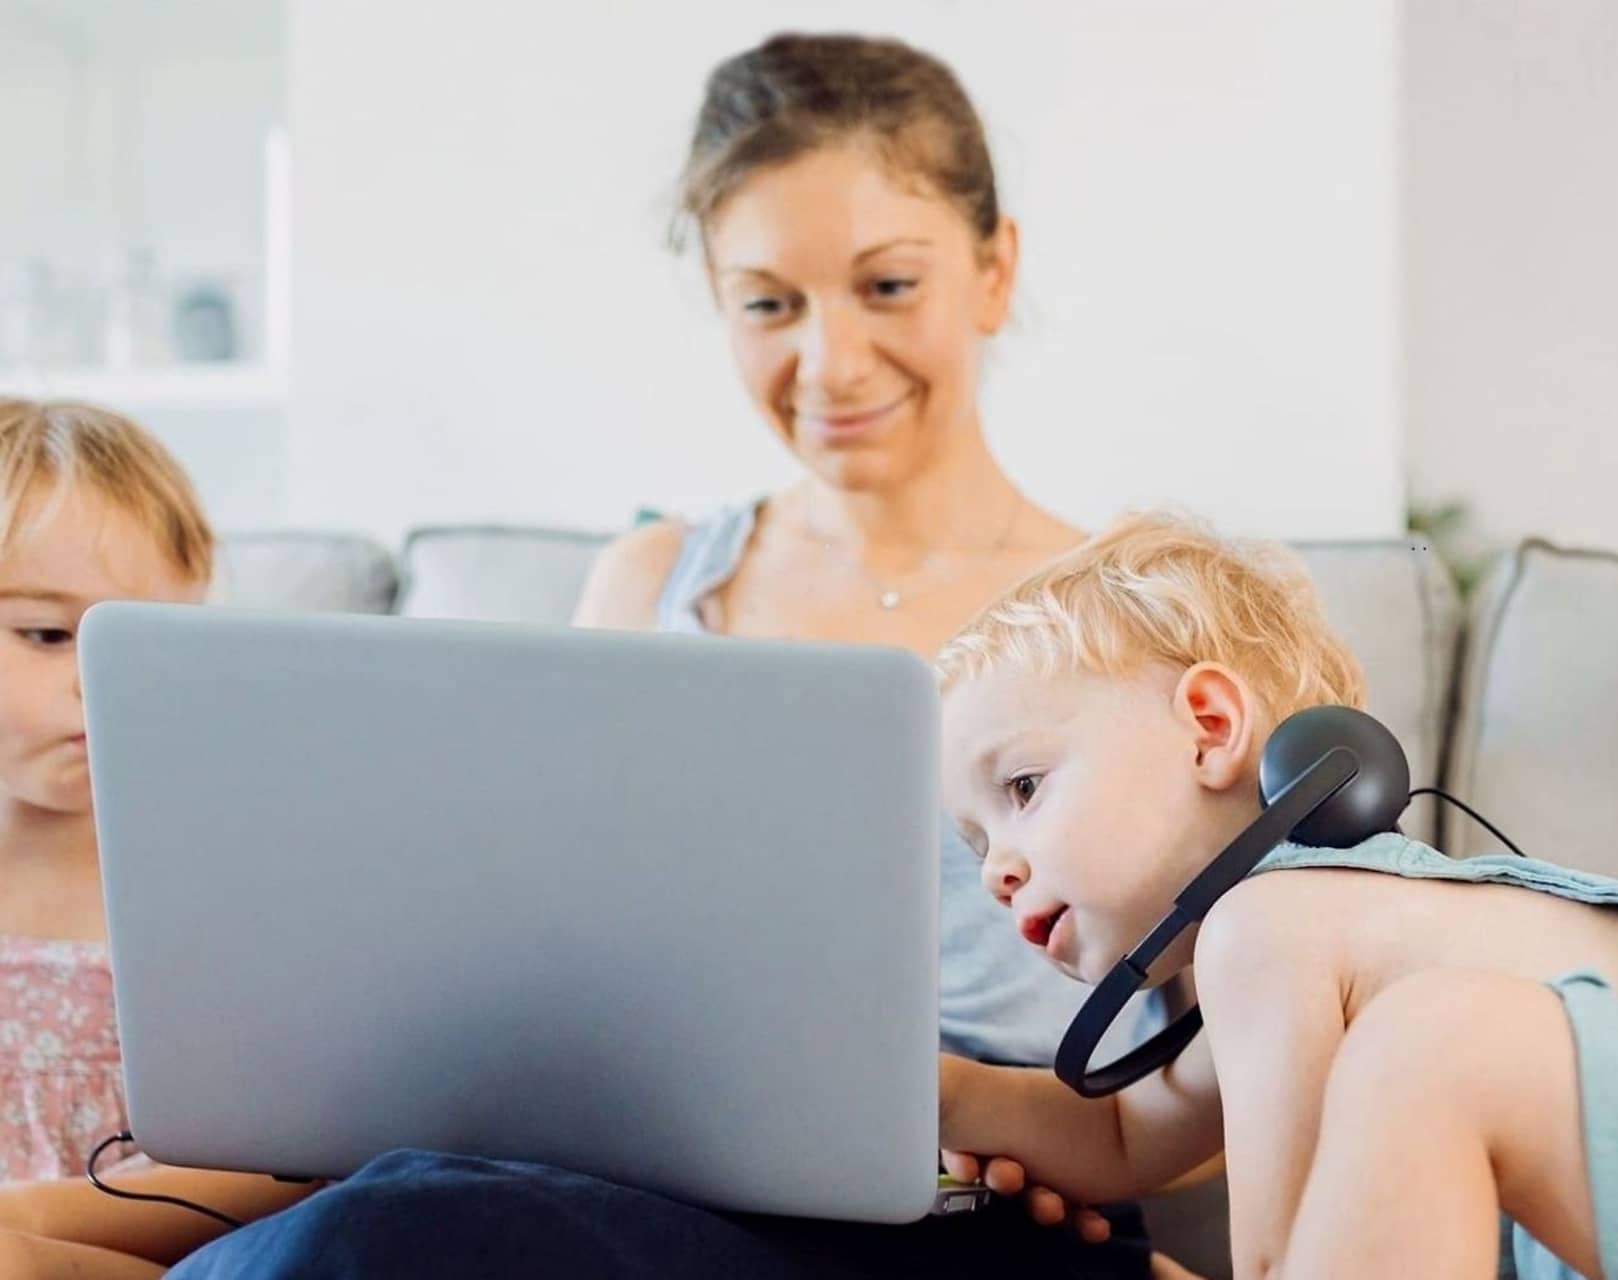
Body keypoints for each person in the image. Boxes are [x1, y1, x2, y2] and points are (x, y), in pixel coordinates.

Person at [171, 33, 1174, 1279]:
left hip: (999, 1195)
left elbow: (1254, 1044)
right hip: (664, 1188)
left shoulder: (1133, 607)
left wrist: (1030, 1131)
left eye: (886, 287)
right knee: (385, 1211)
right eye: (767, 302)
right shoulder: (649, 585)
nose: (828, 362)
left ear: (992, 268)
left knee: (378, 1235)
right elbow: (557, 963)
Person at [936, 511, 1618, 1277]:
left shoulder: (1267, 924)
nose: (997, 864)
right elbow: (1127, 1133)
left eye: (1024, 787)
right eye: (974, 835)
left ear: (1211, 727)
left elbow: (1281, 1258)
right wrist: (929, 1092)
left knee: (1432, 1038)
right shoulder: (1292, 945)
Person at [0, 398, 318, 1278]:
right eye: (46, 634)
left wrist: (26, 1219)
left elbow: (286, 1172)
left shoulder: (215, 876)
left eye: (146, 642)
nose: (94, 679)